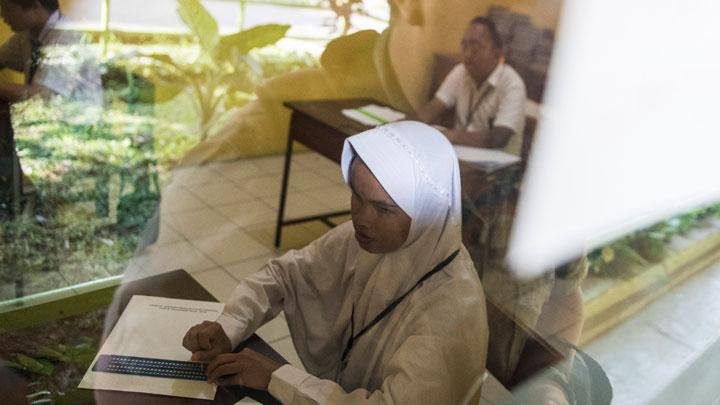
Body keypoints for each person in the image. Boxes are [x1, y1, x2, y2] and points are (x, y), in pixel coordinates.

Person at [183, 121, 488, 403]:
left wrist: (275, 377)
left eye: (384, 209)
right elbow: (284, 275)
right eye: (357, 195)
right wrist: (229, 325)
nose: (361, 218)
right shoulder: (371, 240)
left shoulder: (451, 310)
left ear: (428, 211)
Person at [416, 16, 527, 155]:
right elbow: (433, 107)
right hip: (463, 155)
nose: (468, 54)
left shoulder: (512, 84)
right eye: (465, 46)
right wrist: (403, 125)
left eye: (476, 47)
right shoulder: (461, 71)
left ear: (496, 53)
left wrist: (450, 135)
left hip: (497, 169)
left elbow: (499, 138)